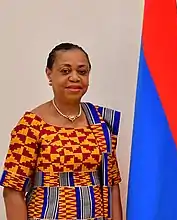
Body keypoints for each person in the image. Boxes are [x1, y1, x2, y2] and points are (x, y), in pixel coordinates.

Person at [0, 43, 122, 220]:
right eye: (65, 71)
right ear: (49, 74)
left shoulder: (101, 122)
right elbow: (13, 190)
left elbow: (111, 185)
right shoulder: (32, 124)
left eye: (82, 71)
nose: (75, 77)